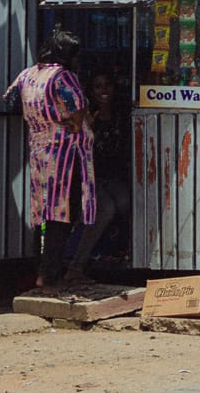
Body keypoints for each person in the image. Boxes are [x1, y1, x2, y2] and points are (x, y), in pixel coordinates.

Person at [3, 27, 96, 290]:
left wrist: (40, 119)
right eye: (75, 55)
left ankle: (42, 269)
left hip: (39, 152)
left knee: (42, 211)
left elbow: (10, 102)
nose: (77, 60)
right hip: (66, 155)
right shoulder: (63, 77)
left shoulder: (27, 75)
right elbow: (78, 115)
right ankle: (49, 274)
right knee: (63, 213)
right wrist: (64, 120)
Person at [66, 71, 132, 279]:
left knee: (126, 202)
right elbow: (75, 149)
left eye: (107, 86)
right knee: (105, 209)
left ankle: (125, 254)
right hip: (90, 178)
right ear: (91, 91)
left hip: (113, 178)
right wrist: (88, 129)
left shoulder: (122, 116)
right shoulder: (86, 116)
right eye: (98, 87)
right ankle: (76, 266)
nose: (103, 91)